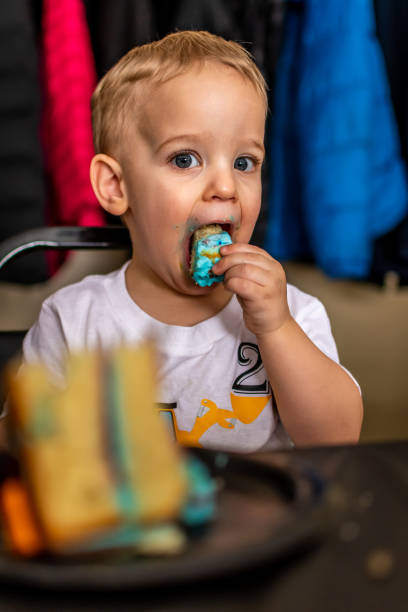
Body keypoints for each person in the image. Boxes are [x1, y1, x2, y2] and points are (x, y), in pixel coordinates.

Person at [19, 30, 363, 451]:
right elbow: (23, 452)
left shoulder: (294, 315)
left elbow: (340, 439)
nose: (225, 185)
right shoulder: (74, 322)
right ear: (115, 185)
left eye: (244, 162)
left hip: (261, 516)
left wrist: (275, 328)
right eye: (185, 159)